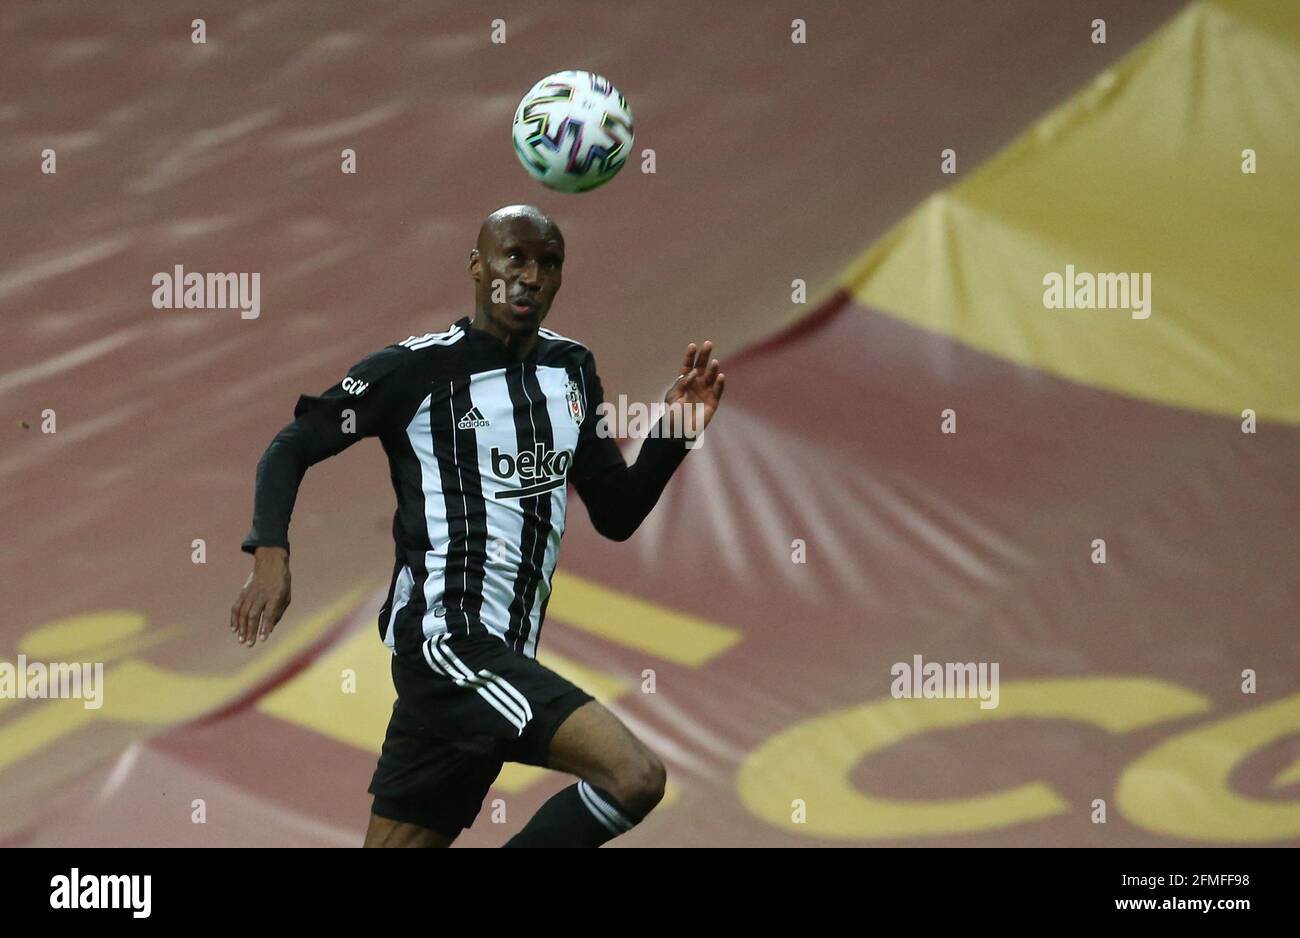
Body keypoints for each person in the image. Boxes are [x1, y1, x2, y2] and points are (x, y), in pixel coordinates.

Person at [230, 204, 725, 846]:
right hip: (447, 646)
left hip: (493, 670)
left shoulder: (570, 371)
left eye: (548, 263)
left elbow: (618, 513)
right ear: (476, 265)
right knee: (632, 777)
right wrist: (270, 551)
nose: (529, 276)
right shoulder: (415, 371)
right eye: (513, 257)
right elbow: (293, 445)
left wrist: (676, 432)